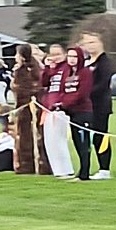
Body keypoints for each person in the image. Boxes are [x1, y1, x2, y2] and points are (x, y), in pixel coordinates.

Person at [11, 44, 51, 175]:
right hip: (24, 107)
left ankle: (35, 164)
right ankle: (27, 163)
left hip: (30, 107)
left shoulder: (28, 69)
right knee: (25, 135)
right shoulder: (29, 68)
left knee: (30, 135)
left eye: (17, 54)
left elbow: (27, 88)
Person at [81, 31, 114, 180]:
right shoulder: (86, 62)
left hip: (100, 104)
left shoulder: (104, 62)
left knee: (101, 135)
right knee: (89, 136)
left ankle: (104, 168)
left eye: (93, 42)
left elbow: (103, 83)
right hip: (87, 106)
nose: (90, 46)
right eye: (87, 43)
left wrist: (85, 93)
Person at [59, 47, 95, 182]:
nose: (71, 59)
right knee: (76, 142)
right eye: (69, 56)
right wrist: (61, 104)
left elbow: (82, 93)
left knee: (84, 143)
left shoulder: (85, 73)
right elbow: (63, 91)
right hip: (71, 113)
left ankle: (84, 173)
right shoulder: (67, 73)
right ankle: (81, 172)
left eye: (74, 56)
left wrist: (66, 103)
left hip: (83, 112)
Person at [40, 44, 75, 179]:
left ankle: (66, 168)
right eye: (52, 54)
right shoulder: (52, 69)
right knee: (50, 140)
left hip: (60, 108)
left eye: (57, 54)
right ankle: (58, 169)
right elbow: (44, 82)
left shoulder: (67, 69)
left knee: (58, 139)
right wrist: (48, 68)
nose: (55, 57)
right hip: (49, 107)